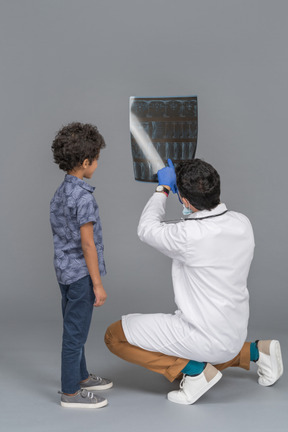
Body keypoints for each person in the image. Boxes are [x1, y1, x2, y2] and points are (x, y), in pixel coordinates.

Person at [105, 158, 283, 405]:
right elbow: (205, 221)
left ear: (186, 201)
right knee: (215, 346)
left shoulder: (187, 236)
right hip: (234, 331)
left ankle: (195, 372)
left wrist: (163, 189)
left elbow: (146, 229)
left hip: (203, 336)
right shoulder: (242, 222)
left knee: (114, 336)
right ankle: (256, 351)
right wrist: (186, 192)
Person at [50, 122, 113, 408]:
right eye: (96, 159)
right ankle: (71, 393)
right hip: (80, 276)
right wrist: (97, 284)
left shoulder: (61, 193)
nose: (97, 163)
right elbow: (87, 244)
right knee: (74, 335)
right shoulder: (83, 197)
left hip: (64, 272)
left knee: (76, 327)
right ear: (85, 162)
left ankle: (81, 375)